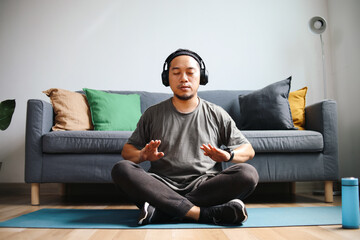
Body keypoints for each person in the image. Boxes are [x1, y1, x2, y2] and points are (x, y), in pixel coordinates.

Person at [111, 49, 259, 225]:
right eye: (176, 73)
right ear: (167, 79)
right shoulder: (153, 114)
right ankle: (202, 214)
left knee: (248, 173)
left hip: (205, 186)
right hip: (160, 185)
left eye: (190, 72)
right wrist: (143, 155)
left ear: (201, 77)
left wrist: (229, 155)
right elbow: (128, 152)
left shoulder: (216, 113)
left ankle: (163, 211)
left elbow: (248, 150)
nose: (183, 78)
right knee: (121, 169)